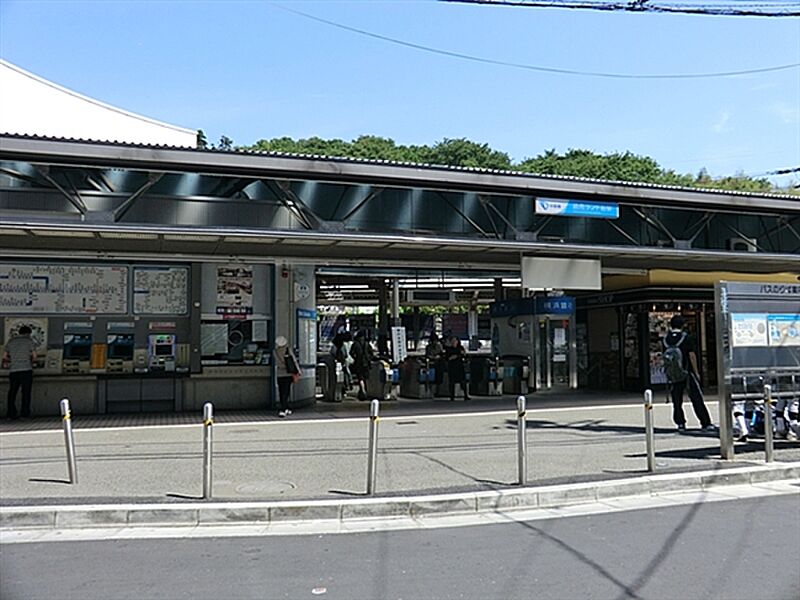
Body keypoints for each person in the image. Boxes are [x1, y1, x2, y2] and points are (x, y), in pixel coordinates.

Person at [663, 315, 714, 432]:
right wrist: (696, 372)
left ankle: (680, 423)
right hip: (687, 372)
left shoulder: (666, 339)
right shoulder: (686, 338)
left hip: (674, 374)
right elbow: (691, 355)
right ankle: (705, 422)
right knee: (696, 398)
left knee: (677, 399)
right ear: (682, 325)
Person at [3, 325, 37, 420]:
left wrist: (13, 360)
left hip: (14, 370)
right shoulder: (30, 341)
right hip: (26, 370)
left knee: (12, 392)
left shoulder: (11, 341)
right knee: (25, 393)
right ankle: (24, 414)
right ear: (28, 333)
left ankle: (11, 413)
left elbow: (5, 357)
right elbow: (34, 357)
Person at [273, 335, 300, 418]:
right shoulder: (288, 350)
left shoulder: (275, 351)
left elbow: (277, 362)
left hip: (280, 374)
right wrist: (298, 371)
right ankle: (284, 408)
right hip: (288, 373)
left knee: (281, 391)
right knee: (286, 391)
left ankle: (284, 407)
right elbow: (294, 361)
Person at [349, 330, 373, 400]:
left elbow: (351, 353)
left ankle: (363, 391)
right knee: (365, 378)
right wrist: (369, 358)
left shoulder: (355, 344)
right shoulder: (367, 344)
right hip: (366, 363)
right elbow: (371, 353)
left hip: (359, 363)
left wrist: (355, 357)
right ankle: (364, 390)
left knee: (360, 378)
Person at [444, 336, 469, 402]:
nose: (453, 342)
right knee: (452, 382)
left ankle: (465, 395)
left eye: (455, 341)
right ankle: (452, 396)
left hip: (460, 366)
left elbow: (464, 356)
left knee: (463, 381)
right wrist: (452, 358)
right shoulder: (449, 349)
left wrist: (461, 355)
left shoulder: (460, 348)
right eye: (452, 341)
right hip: (452, 367)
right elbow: (447, 358)